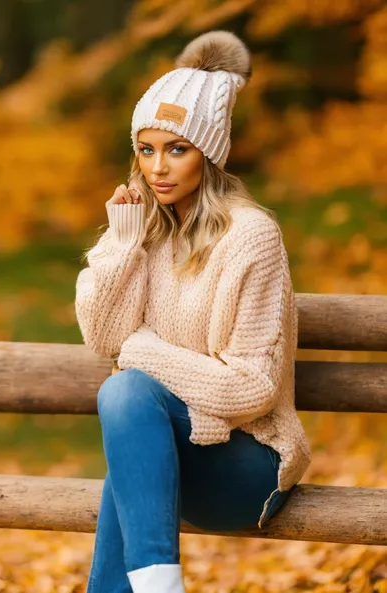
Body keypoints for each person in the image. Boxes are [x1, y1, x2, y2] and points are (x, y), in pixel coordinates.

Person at [74, 29, 312, 593]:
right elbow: (102, 335)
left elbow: (252, 388)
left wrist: (141, 352)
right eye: (146, 148)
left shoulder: (251, 237)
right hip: (168, 456)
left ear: (209, 154)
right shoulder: (145, 230)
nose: (158, 167)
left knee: (127, 392)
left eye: (177, 149)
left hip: (248, 466)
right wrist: (124, 241)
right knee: (129, 420)